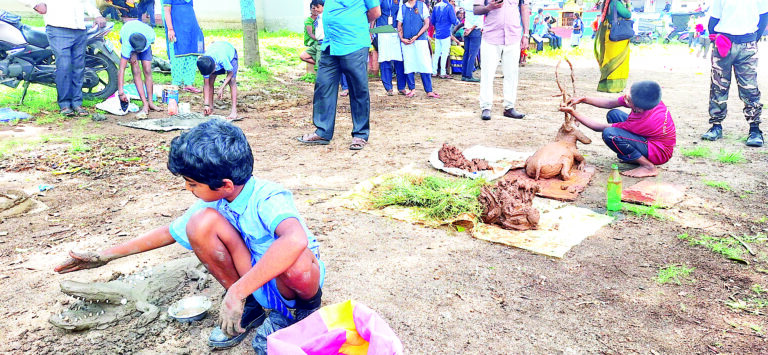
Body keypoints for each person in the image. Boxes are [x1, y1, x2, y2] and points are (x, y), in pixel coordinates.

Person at [53, 119, 325, 353]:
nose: (187, 188)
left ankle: (302, 313)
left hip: (292, 283)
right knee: (198, 224)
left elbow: (295, 240)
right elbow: (169, 232)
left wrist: (236, 291)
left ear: (225, 185)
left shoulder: (268, 197)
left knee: (295, 255)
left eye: (193, 183)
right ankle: (251, 306)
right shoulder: (214, 201)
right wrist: (104, 256)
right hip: (254, 281)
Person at [297, 0, 381, 150]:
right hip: (330, 44)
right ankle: (323, 131)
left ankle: (360, 134)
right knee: (323, 85)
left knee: (357, 89)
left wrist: (355, 22)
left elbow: (375, 12)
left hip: (353, 42)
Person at [559, 81, 676, 178]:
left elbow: (597, 127)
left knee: (610, 134)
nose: (625, 97)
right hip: (649, 138)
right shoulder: (649, 102)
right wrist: (584, 99)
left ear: (638, 109)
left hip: (658, 152)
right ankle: (634, 157)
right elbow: (610, 103)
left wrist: (573, 112)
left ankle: (648, 167)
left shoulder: (642, 121)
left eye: (628, 99)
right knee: (613, 114)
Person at [701, 0, 768, 147]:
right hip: (724, 42)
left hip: (748, 44)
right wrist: (716, 40)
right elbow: (713, 20)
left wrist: (753, 40)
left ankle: (755, 130)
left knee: (749, 88)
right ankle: (716, 126)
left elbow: (764, 17)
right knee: (718, 85)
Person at [23, 0, 106, 117]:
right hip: (57, 28)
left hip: (79, 29)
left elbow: (86, 2)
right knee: (64, 66)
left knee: (78, 67)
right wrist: (34, 4)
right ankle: (65, 104)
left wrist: (97, 15)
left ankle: (77, 103)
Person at [474, 0, 530, 120]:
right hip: (491, 37)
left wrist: (526, 34)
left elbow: (524, 8)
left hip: (513, 36)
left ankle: (509, 107)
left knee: (511, 74)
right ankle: (486, 107)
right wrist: (489, 7)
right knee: (487, 74)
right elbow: (476, 9)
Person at [117, 20, 160, 118]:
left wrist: (140, 51)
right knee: (136, 70)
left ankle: (151, 102)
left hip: (143, 44)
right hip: (130, 40)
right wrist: (121, 92)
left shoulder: (150, 35)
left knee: (147, 69)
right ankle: (144, 103)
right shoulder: (127, 45)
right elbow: (121, 69)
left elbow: (149, 45)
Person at [162, 0, 205, 94]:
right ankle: (176, 84)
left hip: (191, 27)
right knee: (178, 55)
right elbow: (166, 11)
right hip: (177, 27)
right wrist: (170, 29)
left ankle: (188, 84)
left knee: (192, 55)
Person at [399, 0, 439, 98]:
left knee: (424, 63)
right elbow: (399, 25)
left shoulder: (422, 6)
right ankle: (412, 89)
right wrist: (401, 38)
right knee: (409, 64)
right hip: (407, 41)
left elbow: (426, 24)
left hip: (420, 40)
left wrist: (417, 35)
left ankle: (429, 90)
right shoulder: (403, 8)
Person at [594, 0, 632, 93]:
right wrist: (628, 3)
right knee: (618, 61)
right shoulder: (616, 3)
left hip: (610, 33)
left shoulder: (608, 3)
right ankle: (615, 87)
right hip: (617, 36)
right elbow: (627, 14)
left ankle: (607, 85)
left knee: (609, 59)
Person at [197, 41, 239, 120]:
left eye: (212, 71)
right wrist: (206, 105)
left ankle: (234, 111)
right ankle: (211, 108)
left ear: (215, 66)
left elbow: (230, 73)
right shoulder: (204, 63)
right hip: (216, 50)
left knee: (232, 81)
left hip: (229, 53)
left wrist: (222, 87)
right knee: (210, 80)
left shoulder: (222, 58)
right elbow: (206, 85)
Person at [374, 0, 407, 95]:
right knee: (385, 58)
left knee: (399, 59)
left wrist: (401, 30)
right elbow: (375, 13)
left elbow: (401, 15)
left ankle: (401, 87)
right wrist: (371, 31)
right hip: (382, 29)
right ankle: (388, 87)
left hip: (395, 29)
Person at [430, 0, 458, 78]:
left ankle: (434, 71)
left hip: (438, 32)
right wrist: (458, 23)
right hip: (446, 32)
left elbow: (432, 21)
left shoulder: (436, 6)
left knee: (436, 53)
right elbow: (454, 20)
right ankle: (443, 72)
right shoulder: (449, 7)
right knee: (445, 53)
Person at [459, 0, 481, 82]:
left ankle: (464, 74)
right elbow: (478, 19)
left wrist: (467, 29)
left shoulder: (465, 2)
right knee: (472, 54)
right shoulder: (478, 3)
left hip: (466, 29)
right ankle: (469, 75)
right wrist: (471, 29)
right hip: (474, 29)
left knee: (466, 53)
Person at [300, 1, 322, 73]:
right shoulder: (308, 20)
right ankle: (318, 64)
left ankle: (320, 65)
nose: (315, 9)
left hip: (319, 41)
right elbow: (310, 34)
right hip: (312, 40)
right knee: (304, 56)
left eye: (317, 7)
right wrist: (318, 39)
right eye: (313, 8)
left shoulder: (320, 17)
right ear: (310, 10)